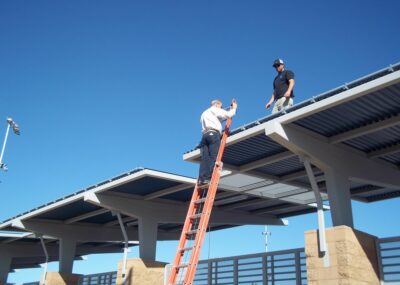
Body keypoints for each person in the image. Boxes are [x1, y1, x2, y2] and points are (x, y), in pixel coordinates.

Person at [198, 99, 237, 185]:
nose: (221, 108)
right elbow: (228, 114)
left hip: (205, 136)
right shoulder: (214, 109)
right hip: (213, 134)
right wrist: (234, 108)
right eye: (221, 106)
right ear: (216, 104)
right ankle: (209, 178)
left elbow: (217, 119)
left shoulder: (204, 113)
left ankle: (202, 179)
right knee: (214, 157)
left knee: (205, 158)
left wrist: (224, 113)